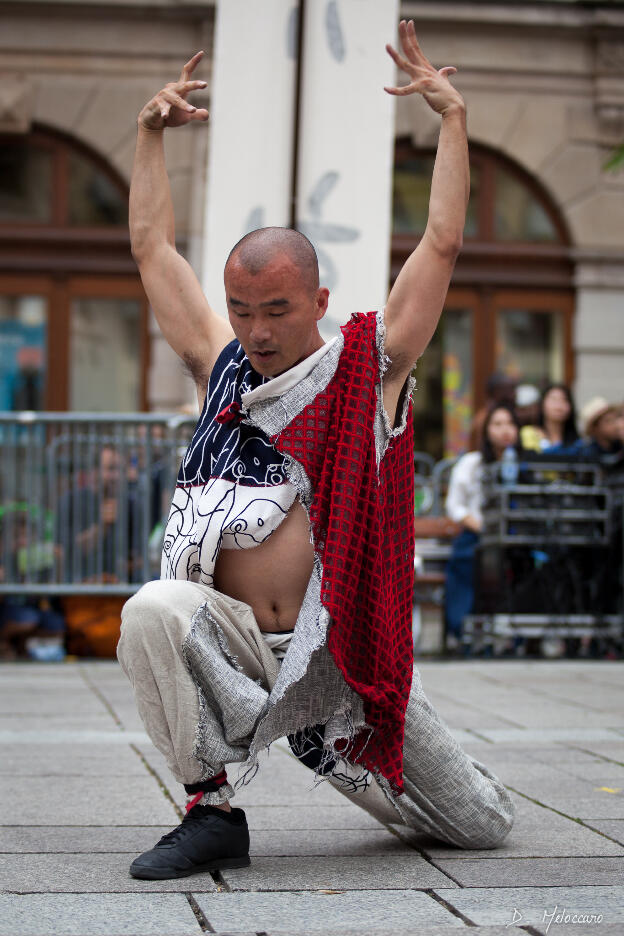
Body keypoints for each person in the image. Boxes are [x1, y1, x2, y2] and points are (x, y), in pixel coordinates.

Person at [118, 21, 514, 881]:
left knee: (479, 827)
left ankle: (322, 737)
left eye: (277, 310)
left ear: (318, 298)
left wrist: (452, 127)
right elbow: (152, 249)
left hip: (335, 657)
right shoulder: (219, 366)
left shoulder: (364, 373)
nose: (256, 331)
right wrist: (148, 136)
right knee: (152, 609)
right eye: (242, 308)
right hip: (231, 639)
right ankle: (210, 808)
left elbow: (440, 246)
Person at [444, 404, 520, 652]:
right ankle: (464, 630)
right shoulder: (471, 463)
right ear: (485, 430)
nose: (505, 430)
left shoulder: (522, 466)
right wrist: (480, 526)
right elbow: (455, 506)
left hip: (515, 538)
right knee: (468, 561)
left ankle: (514, 634)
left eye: (510, 424)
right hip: (477, 535)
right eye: (497, 424)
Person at [520, 383, 581, 455]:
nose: (559, 405)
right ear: (542, 404)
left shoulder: (578, 443)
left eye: (564, 399)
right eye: (553, 399)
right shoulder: (529, 433)